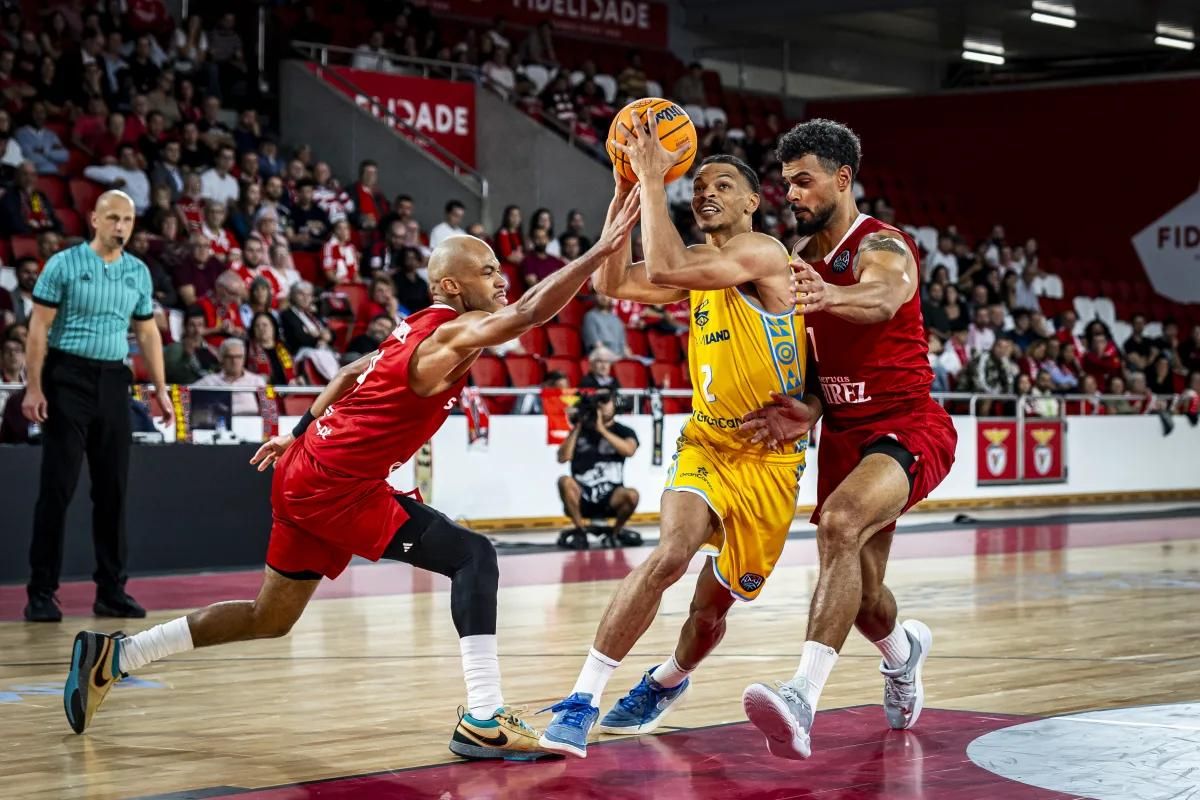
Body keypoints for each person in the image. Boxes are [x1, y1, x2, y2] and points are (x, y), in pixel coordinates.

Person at [62, 189, 643, 763]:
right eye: (488, 271)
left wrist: (292, 435)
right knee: (473, 556)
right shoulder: (445, 336)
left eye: (499, 270)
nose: (500, 280)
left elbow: (344, 373)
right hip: (335, 487)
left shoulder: (411, 326)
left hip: (306, 470)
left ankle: (116, 656)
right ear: (450, 286)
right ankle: (484, 718)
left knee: (271, 617)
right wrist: (600, 249)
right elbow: (531, 312)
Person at [540, 146, 815, 758]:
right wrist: (623, 191)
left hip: (770, 463)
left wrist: (653, 180)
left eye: (721, 184)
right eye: (698, 185)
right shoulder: (693, 262)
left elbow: (660, 265)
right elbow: (612, 281)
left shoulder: (764, 254)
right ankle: (581, 700)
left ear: (752, 201)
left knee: (711, 608)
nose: (705, 192)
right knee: (670, 553)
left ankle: (667, 679)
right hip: (709, 441)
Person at [730, 119, 957, 760]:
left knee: (839, 521)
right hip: (844, 434)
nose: (792, 195)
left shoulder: (880, 245)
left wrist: (829, 295)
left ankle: (801, 699)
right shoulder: (800, 263)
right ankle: (904, 654)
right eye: (786, 184)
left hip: (908, 425)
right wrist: (807, 405)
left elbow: (884, 297)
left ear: (843, 179)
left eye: (804, 181)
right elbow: (822, 363)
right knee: (862, 598)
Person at [22, 190, 173, 622]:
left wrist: (160, 389)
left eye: (127, 219)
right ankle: (41, 592)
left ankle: (111, 590)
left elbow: (147, 335)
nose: (121, 227)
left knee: (113, 491)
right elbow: (37, 331)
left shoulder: (138, 273)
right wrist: (33, 388)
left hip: (112, 381)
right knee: (58, 488)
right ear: (93, 219)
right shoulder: (64, 265)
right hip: (67, 377)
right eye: (112, 218)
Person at [556, 388, 640, 546]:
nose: (602, 405)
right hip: (583, 496)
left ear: (614, 404)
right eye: (598, 401)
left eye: (605, 400)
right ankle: (580, 532)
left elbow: (629, 450)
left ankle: (615, 533)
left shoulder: (623, 431)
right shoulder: (581, 431)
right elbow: (563, 457)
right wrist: (578, 425)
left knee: (632, 495)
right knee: (564, 481)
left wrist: (602, 430)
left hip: (611, 496)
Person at [192, 337, 265, 416]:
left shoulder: (257, 381)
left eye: (238, 357)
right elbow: (186, 394)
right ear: (221, 358)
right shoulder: (209, 381)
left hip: (250, 424)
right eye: (230, 357)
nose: (234, 361)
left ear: (244, 358)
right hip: (219, 425)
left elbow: (269, 411)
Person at [163, 306, 218, 384]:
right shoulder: (175, 348)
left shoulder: (210, 350)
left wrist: (220, 361)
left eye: (200, 325)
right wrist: (187, 357)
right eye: (192, 325)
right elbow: (170, 375)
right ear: (185, 327)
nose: (197, 330)